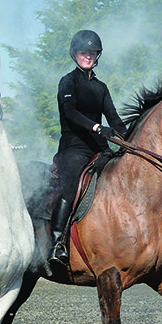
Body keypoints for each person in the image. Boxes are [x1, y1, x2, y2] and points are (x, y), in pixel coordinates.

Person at [48, 30, 127, 267]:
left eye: (92, 53)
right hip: (74, 147)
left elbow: (113, 118)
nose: (88, 56)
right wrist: (95, 127)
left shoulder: (101, 87)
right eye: (84, 52)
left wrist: (129, 139)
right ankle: (56, 244)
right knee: (71, 184)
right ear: (75, 54)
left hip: (100, 148)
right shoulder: (67, 81)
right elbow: (70, 113)